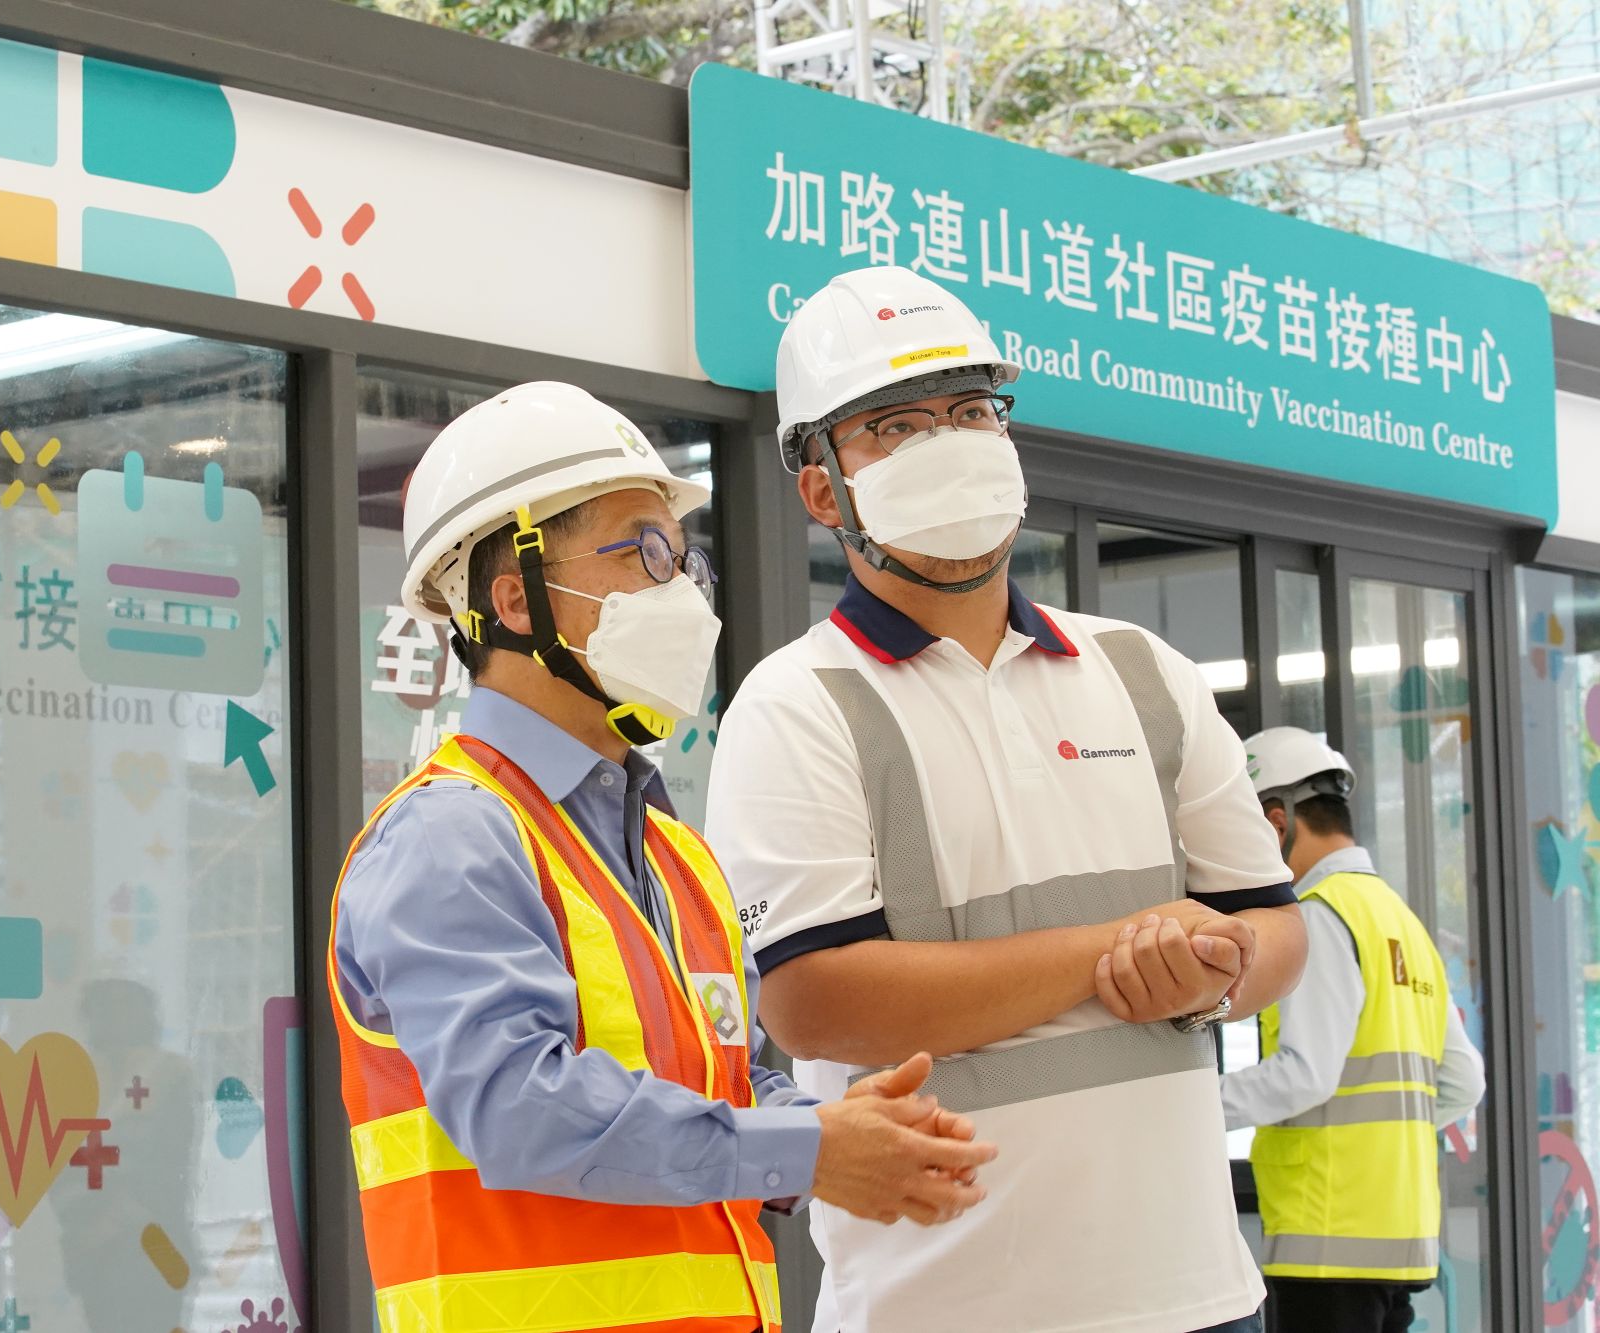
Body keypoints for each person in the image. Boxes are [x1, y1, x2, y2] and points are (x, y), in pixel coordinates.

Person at [703, 266, 1310, 1333]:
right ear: (822, 492)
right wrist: (1111, 952)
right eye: (895, 426)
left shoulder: (1143, 669)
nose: (946, 444)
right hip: (943, 1306)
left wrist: (1216, 971)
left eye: (970, 411)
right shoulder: (796, 703)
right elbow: (812, 1000)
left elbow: (1274, 928)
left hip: (1200, 1295)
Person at [330, 381, 998, 1333]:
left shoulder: (674, 851)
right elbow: (517, 1106)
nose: (680, 590)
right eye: (643, 552)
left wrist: (845, 1129)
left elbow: (721, 1080)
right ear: (515, 598)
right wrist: (807, 1146)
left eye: (685, 560)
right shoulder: (452, 835)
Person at [1223, 727, 1486, 1333]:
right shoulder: (1402, 922)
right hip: (1400, 1239)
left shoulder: (1320, 916)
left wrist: (1188, 1107)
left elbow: (1306, 1075)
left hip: (1327, 1233)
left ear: (1276, 824)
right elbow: (1463, 1082)